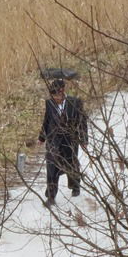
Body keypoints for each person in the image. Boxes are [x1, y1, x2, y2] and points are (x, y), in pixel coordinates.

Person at [36, 78, 88, 206]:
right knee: (51, 166)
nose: (56, 98)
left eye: (58, 95)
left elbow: (82, 122)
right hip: (53, 140)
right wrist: (42, 137)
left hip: (70, 140)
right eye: (53, 95)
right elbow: (47, 121)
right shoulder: (49, 103)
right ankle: (51, 195)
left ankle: (75, 184)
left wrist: (83, 139)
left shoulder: (75, 102)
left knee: (71, 163)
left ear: (63, 92)